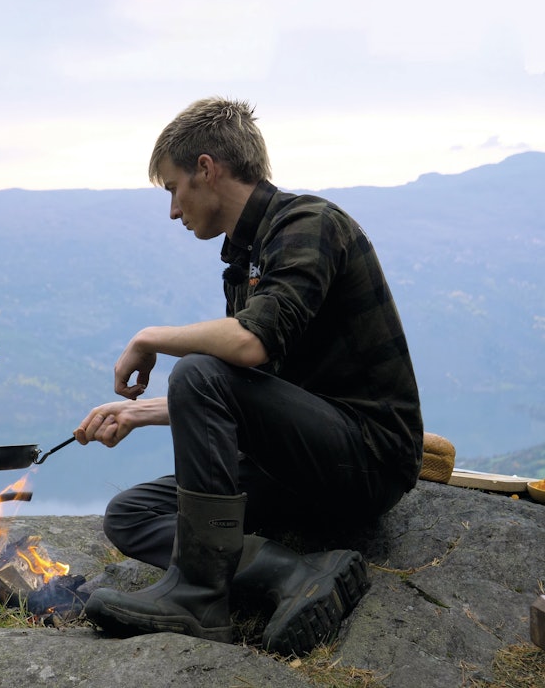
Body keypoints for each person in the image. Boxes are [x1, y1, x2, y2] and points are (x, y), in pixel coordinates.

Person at [75, 97, 422, 655]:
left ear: (207, 169)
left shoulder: (309, 224)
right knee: (131, 514)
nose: (172, 211)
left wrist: (148, 337)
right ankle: (292, 573)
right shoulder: (246, 261)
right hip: (300, 461)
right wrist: (138, 414)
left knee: (196, 369)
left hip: (366, 461)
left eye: (173, 188)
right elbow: (250, 392)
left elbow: (248, 347)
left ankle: (198, 598)